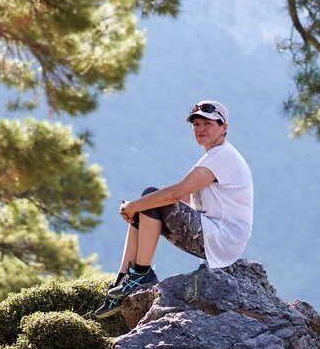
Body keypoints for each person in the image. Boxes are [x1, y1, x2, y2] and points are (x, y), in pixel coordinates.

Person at [92, 100, 254, 318]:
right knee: (150, 202)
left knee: (152, 198)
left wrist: (133, 206)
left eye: (208, 124)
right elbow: (185, 199)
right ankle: (122, 280)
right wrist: (140, 211)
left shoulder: (222, 156)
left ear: (223, 127)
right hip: (218, 237)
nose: (200, 129)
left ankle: (141, 274)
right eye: (196, 124)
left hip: (222, 239)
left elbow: (176, 194)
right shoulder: (215, 156)